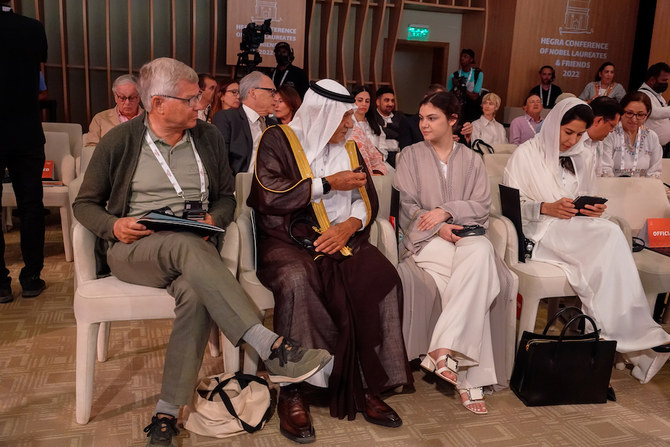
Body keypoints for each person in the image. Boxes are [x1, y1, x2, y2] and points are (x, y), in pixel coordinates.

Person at [72, 58, 331, 447]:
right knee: (183, 243)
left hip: (196, 249)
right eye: (191, 99)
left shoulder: (207, 137)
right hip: (135, 250)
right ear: (158, 104)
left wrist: (213, 218)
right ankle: (269, 344)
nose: (201, 105)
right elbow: (84, 204)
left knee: (194, 293)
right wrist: (114, 225)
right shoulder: (120, 141)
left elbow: (226, 198)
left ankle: (165, 412)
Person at [248, 79, 411, 443]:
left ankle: (364, 383)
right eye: (344, 118)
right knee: (297, 279)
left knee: (383, 278)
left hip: (341, 236)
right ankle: (293, 389)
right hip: (287, 239)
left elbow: (364, 197)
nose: (351, 125)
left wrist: (350, 226)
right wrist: (328, 183)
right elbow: (270, 195)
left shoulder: (349, 147)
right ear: (322, 115)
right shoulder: (277, 140)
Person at [503, 97, 670, 386]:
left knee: (608, 237)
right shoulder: (525, 155)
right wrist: (545, 207)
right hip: (541, 231)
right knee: (609, 236)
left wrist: (593, 208)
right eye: (568, 132)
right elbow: (512, 205)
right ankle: (634, 340)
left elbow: (588, 194)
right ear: (554, 124)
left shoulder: (583, 154)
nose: (573, 140)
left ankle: (620, 335)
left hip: (578, 227)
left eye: (580, 134)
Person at [394, 92, 515, 415]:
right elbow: (407, 206)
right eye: (421, 118)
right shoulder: (409, 156)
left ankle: (442, 350)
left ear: (452, 120)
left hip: (467, 234)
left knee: (482, 253)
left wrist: (448, 211)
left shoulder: (472, 159)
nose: (424, 125)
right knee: (479, 282)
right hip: (426, 240)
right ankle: (471, 379)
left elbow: (481, 206)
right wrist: (438, 228)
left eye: (432, 118)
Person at [0, 0, 48, 301]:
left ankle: (0, 285)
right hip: (26, 130)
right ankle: (31, 278)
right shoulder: (33, 28)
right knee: (31, 206)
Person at [211, 71, 278, 175]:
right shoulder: (228, 119)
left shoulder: (274, 126)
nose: (276, 98)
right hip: (239, 183)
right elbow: (220, 163)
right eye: (272, 92)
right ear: (253, 93)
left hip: (270, 183)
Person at [599, 92, 662, 178]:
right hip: (612, 184)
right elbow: (604, 168)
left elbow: (655, 171)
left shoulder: (651, 137)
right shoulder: (611, 133)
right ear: (621, 112)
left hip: (642, 185)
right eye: (629, 113)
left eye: (640, 115)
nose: (634, 119)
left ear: (647, 115)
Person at [84, 74, 143, 147]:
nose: (127, 102)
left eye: (132, 97)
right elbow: (90, 148)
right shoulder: (100, 119)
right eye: (122, 98)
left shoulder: (150, 119)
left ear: (138, 97)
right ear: (115, 97)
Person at [350, 85, 387, 175]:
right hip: (355, 166)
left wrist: (379, 156)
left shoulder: (375, 124)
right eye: (360, 100)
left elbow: (383, 149)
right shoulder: (348, 124)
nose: (364, 104)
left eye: (367, 101)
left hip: (376, 165)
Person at [399, 83, 446, 149]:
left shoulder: (446, 123)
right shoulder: (408, 123)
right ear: (426, 98)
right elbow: (406, 151)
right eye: (438, 99)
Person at [582, 96, 621, 175]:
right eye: (611, 125)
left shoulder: (599, 142)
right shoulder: (574, 140)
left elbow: (599, 173)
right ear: (598, 120)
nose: (612, 130)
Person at [638, 62, 670, 156]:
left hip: (658, 148)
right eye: (664, 80)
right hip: (647, 148)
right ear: (652, 80)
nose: (666, 83)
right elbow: (654, 112)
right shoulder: (642, 94)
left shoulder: (657, 95)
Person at [447, 49, 483, 122]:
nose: (462, 58)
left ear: (471, 59)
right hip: (458, 110)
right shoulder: (454, 75)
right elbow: (448, 95)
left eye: (465, 56)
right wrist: (455, 88)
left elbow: (475, 96)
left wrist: (461, 87)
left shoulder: (477, 74)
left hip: (472, 111)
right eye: (461, 56)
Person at [371, 85, 403, 167]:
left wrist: (386, 128)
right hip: (381, 155)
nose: (390, 104)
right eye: (387, 100)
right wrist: (395, 131)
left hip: (399, 154)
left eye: (392, 101)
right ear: (378, 102)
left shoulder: (399, 116)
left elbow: (403, 134)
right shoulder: (372, 117)